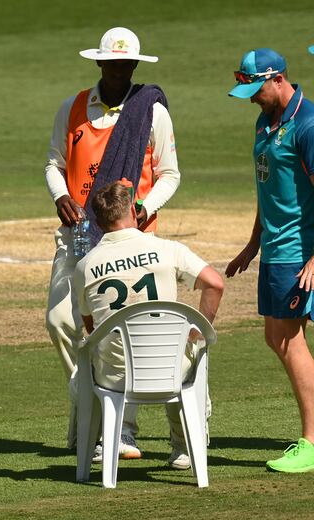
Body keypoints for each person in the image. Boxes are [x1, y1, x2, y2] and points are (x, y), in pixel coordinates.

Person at [44, 26, 181, 456]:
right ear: (100, 63)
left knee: (129, 333)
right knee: (61, 322)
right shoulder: (74, 107)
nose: (120, 72)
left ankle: (120, 429)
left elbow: (169, 175)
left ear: (135, 66)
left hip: (131, 238)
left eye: (127, 65)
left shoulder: (149, 111)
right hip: (79, 232)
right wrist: (61, 194)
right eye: (113, 64)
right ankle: (89, 402)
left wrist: (142, 210)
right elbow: (54, 163)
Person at [73, 181, 224, 468]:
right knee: (194, 350)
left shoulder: (86, 265)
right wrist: (197, 331)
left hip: (115, 378)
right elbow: (215, 284)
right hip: (168, 369)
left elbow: (90, 325)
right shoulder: (168, 249)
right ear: (132, 209)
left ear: (99, 221)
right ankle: (185, 446)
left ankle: (112, 436)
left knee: (90, 360)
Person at [226, 48, 314, 473]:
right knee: (275, 338)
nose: (253, 101)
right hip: (276, 250)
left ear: (277, 78)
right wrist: (253, 242)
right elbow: (270, 189)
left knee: (287, 340)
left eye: (255, 90)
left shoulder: (308, 125)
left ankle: (312, 442)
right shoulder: (266, 121)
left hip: (300, 252)